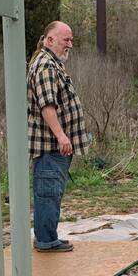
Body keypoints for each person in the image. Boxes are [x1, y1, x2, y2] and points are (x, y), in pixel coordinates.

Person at [27, 21, 89, 253]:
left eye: (71, 40)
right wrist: (62, 136)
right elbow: (47, 106)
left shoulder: (52, 64)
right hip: (50, 146)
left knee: (51, 192)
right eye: (66, 40)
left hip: (55, 147)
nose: (70, 45)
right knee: (48, 193)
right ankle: (45, 240)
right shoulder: (45, 66)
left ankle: (48, 236)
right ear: (49, 40)